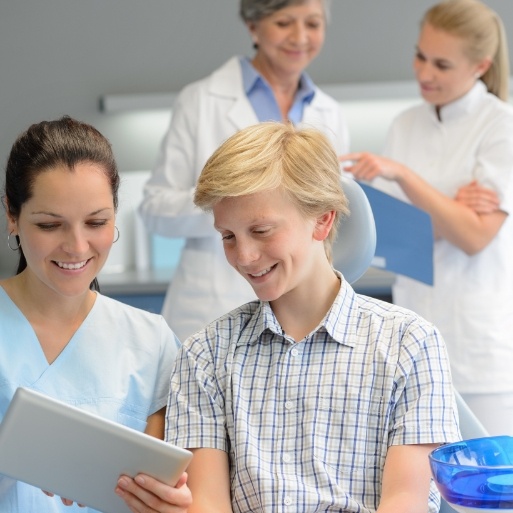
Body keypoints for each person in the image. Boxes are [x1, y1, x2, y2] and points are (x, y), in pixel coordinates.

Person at [122, 122, 460, 512]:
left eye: (261, 230)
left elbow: (406, 502)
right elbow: (208, 504)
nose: (244, 256)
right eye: (228, 236)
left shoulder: (410, 344)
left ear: (323, 219)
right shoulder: (205, 355)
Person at [0, 116, 191, 513]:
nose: (77, 245)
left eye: (96, 222)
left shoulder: (150, 342)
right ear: (12, 215)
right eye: (50, 224)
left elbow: (167, 484)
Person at [341, 0, 513, 436]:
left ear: (480, 66)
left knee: (489, 490)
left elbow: (475, 237)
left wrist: (404, 176)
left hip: (480, 343)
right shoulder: (405, 124)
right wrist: (451, 208)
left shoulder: (500, 126)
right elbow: (397, 234)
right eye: (420, 56)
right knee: (423, 484)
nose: (425, 73)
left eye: (441, 64)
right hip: (413, 329)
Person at [139, 0, 349, 342]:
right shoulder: (202, 100)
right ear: (253, 27)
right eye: (284, 23)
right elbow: (154, 208)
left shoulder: (330, 113)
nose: (300, 37)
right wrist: (238, 214)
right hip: (214, 302)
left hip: (300, 309)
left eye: (312, 24)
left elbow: (324, 213)